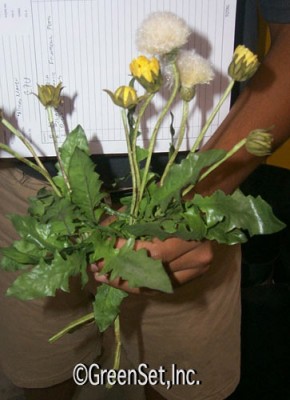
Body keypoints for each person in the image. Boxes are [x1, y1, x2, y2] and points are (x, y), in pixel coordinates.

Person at [0, 1, 290, 400]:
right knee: (40, 375)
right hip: (30, 187)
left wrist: (196, 199)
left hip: (195, 197)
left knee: (181, 383)